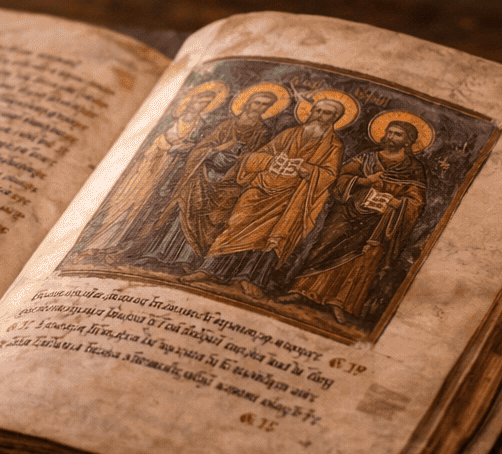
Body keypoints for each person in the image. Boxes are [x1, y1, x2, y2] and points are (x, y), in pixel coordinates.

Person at [188, 97, 345, 298]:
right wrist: (271, 161)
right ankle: (211, 270)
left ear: (335, 118)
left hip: (291, 197)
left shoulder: (333, 145)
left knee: (275, 236)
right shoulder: (289, 134)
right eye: (318, 110)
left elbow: (329, 175)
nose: (320, 116)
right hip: (262, 188)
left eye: (327, 113)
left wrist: (304, 168)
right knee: (237, 223)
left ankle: (250, 279)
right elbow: (256, 157)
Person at [280, 118, 428, 325]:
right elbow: (340, 177)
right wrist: (363, 181)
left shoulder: (414, 169)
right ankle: (302, 291)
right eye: (389, 132)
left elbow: (416, 201)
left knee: (364, 259)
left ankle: (340, 303)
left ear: (408, 141)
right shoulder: (367, 158)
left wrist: (398, 203)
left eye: (398, 134)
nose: (391, 137)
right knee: (325, 247)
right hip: (347, 214)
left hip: (379, 223)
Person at [133, 86, 281, 268]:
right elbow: (202, 147)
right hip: (203, 172)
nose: (259, 107)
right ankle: (156, 253)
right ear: (248, 103)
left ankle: (186, 259)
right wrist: (213, 153)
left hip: (230, 179)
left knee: (214, 214)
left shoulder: (263, 132)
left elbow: (256, 158)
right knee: (185, 206)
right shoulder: (227, 125)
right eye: (257, 102)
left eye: (265, 105)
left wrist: (236, 161)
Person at [76, 85, 222, 261]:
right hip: (147, 167)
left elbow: (196, 147)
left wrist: (187, 148)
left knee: (141, 208)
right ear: (191, 101)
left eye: (206, 103)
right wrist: (172, 146)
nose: (201, 105)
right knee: (122, 202)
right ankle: (96, 244)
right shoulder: (172, 119)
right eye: (200, 101)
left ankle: (115, 245)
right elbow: (155, 144)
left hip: (169, 171)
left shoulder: (201, 126)